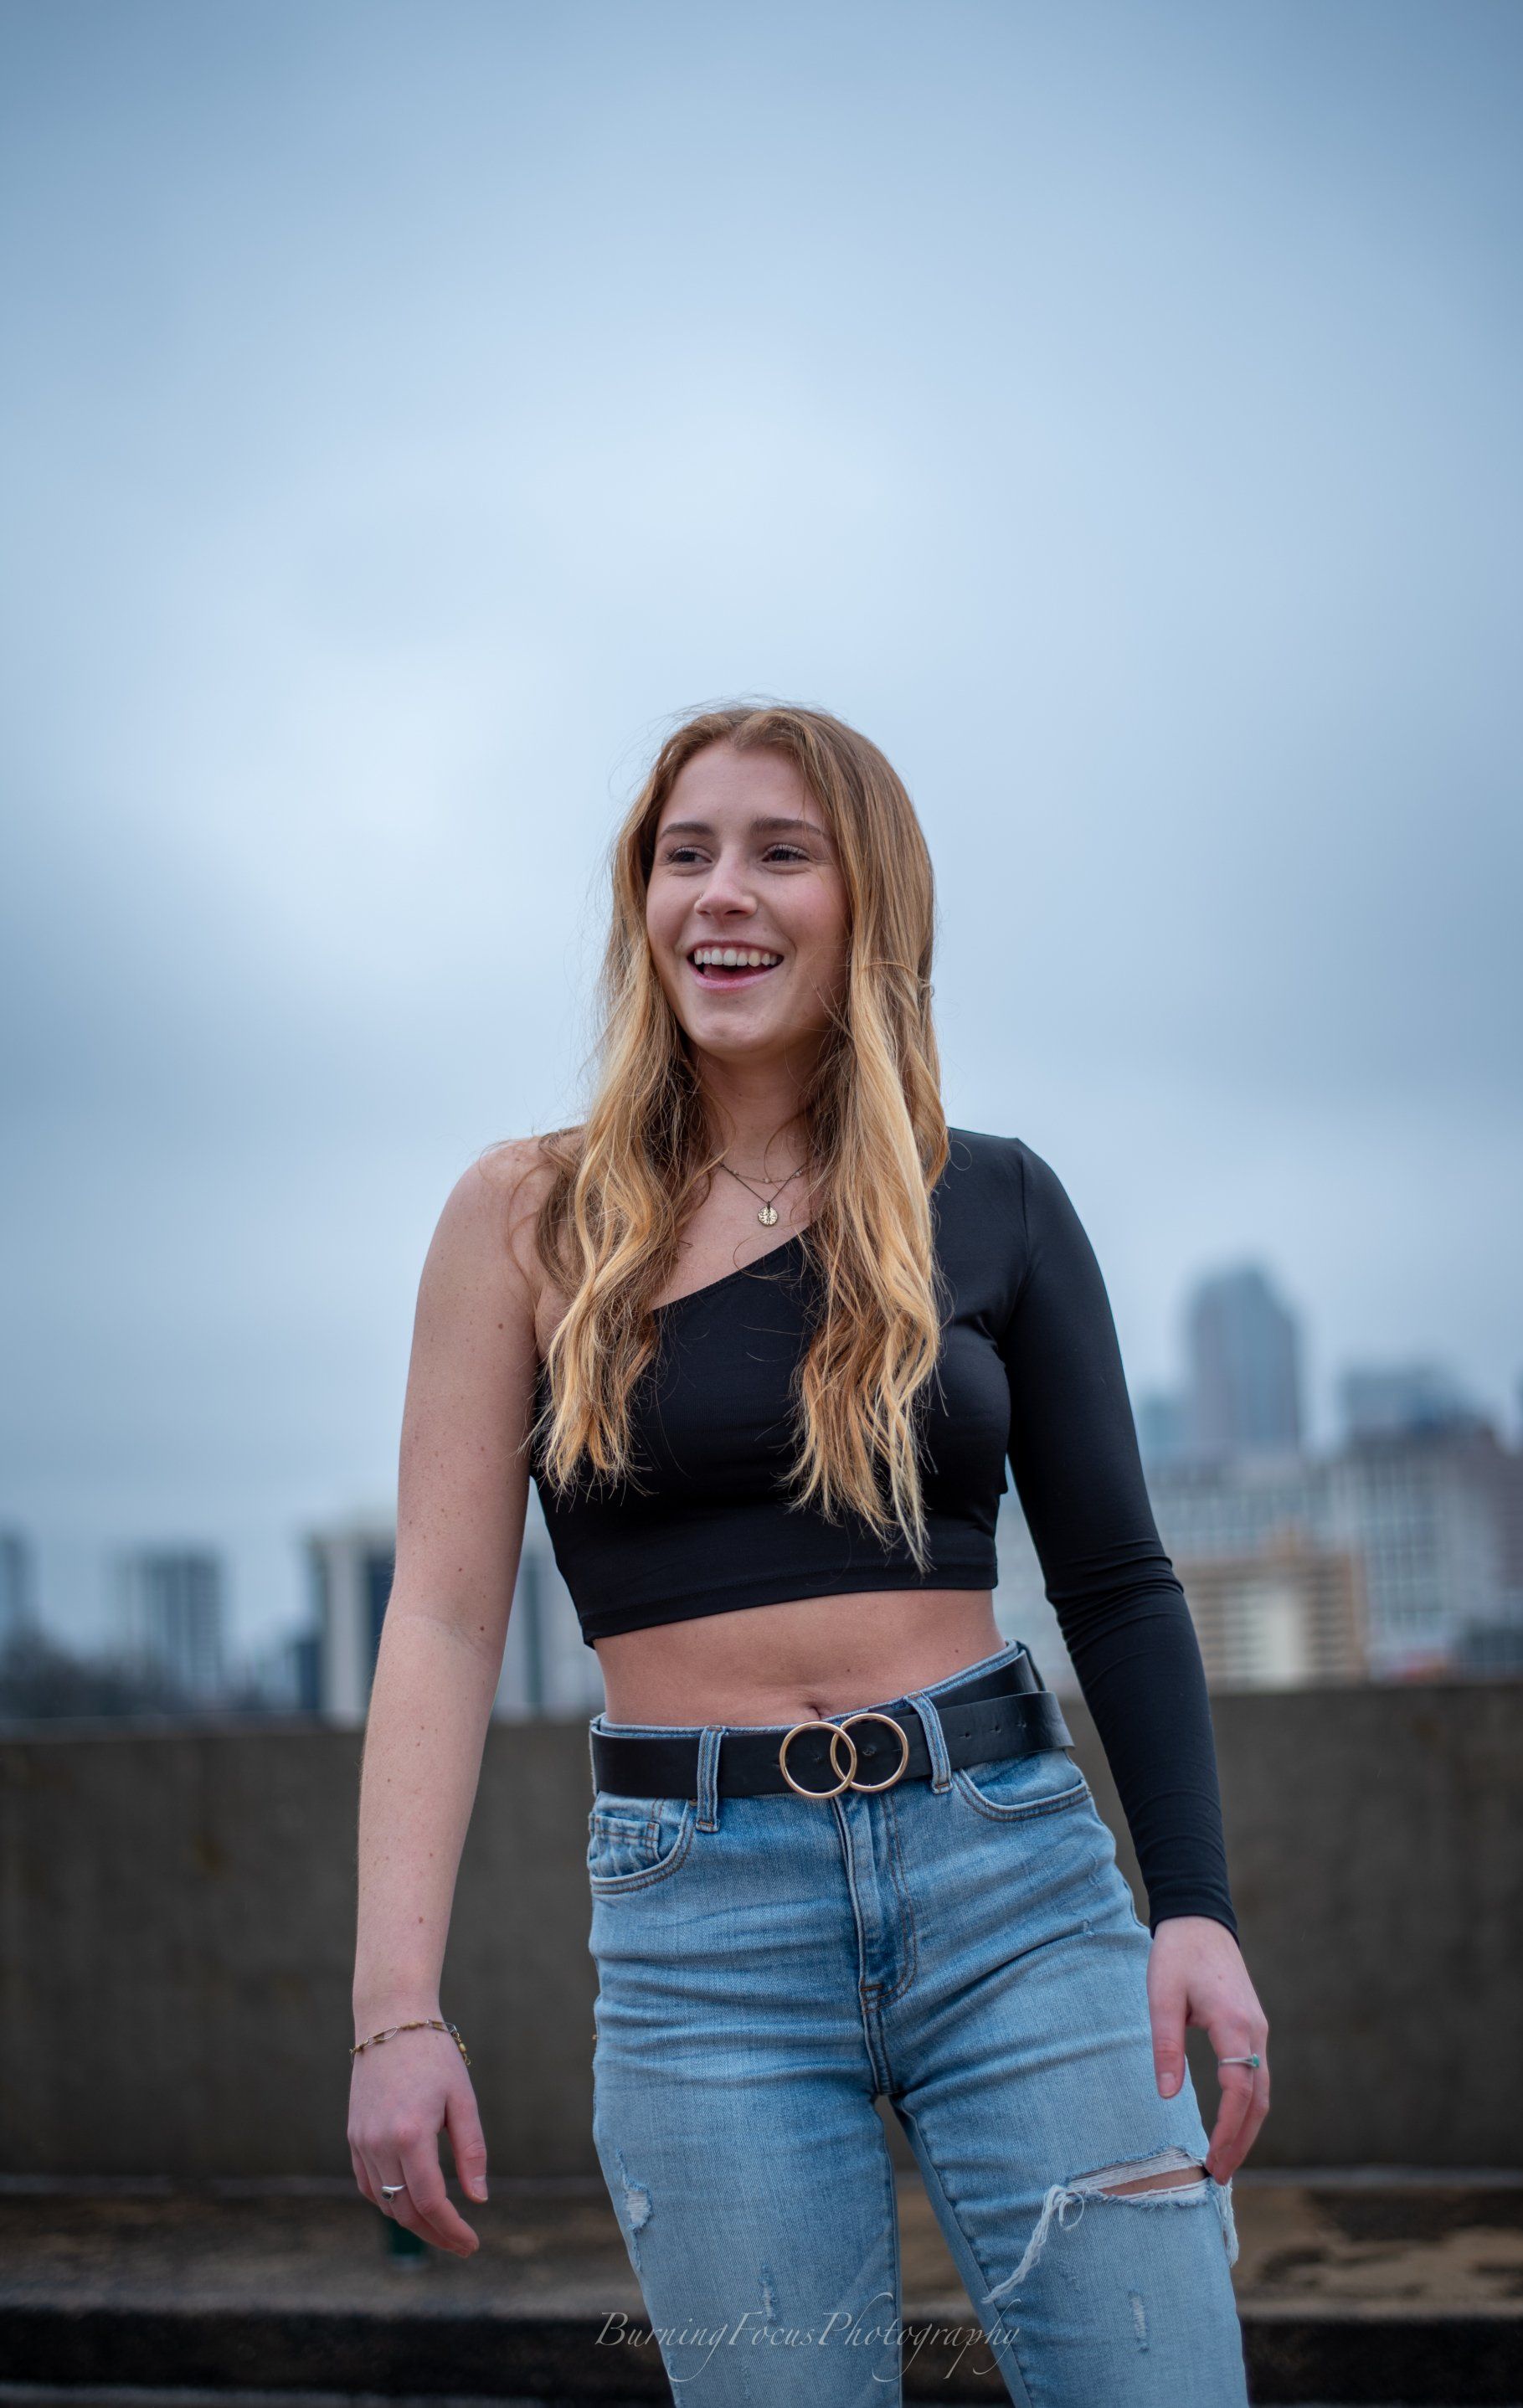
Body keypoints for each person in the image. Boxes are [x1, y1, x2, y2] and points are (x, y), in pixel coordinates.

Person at [347, 702, 1269, 2405]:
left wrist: (1196, 1909)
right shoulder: (524, 1219)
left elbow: (1121, 1583)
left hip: (1019, 1889)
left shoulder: (988, 1198)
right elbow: (451, 1612)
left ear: (871, 903)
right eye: (683, 855)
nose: (722, 894)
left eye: (781, 851)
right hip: (702, 1932)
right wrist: (396, 2007)